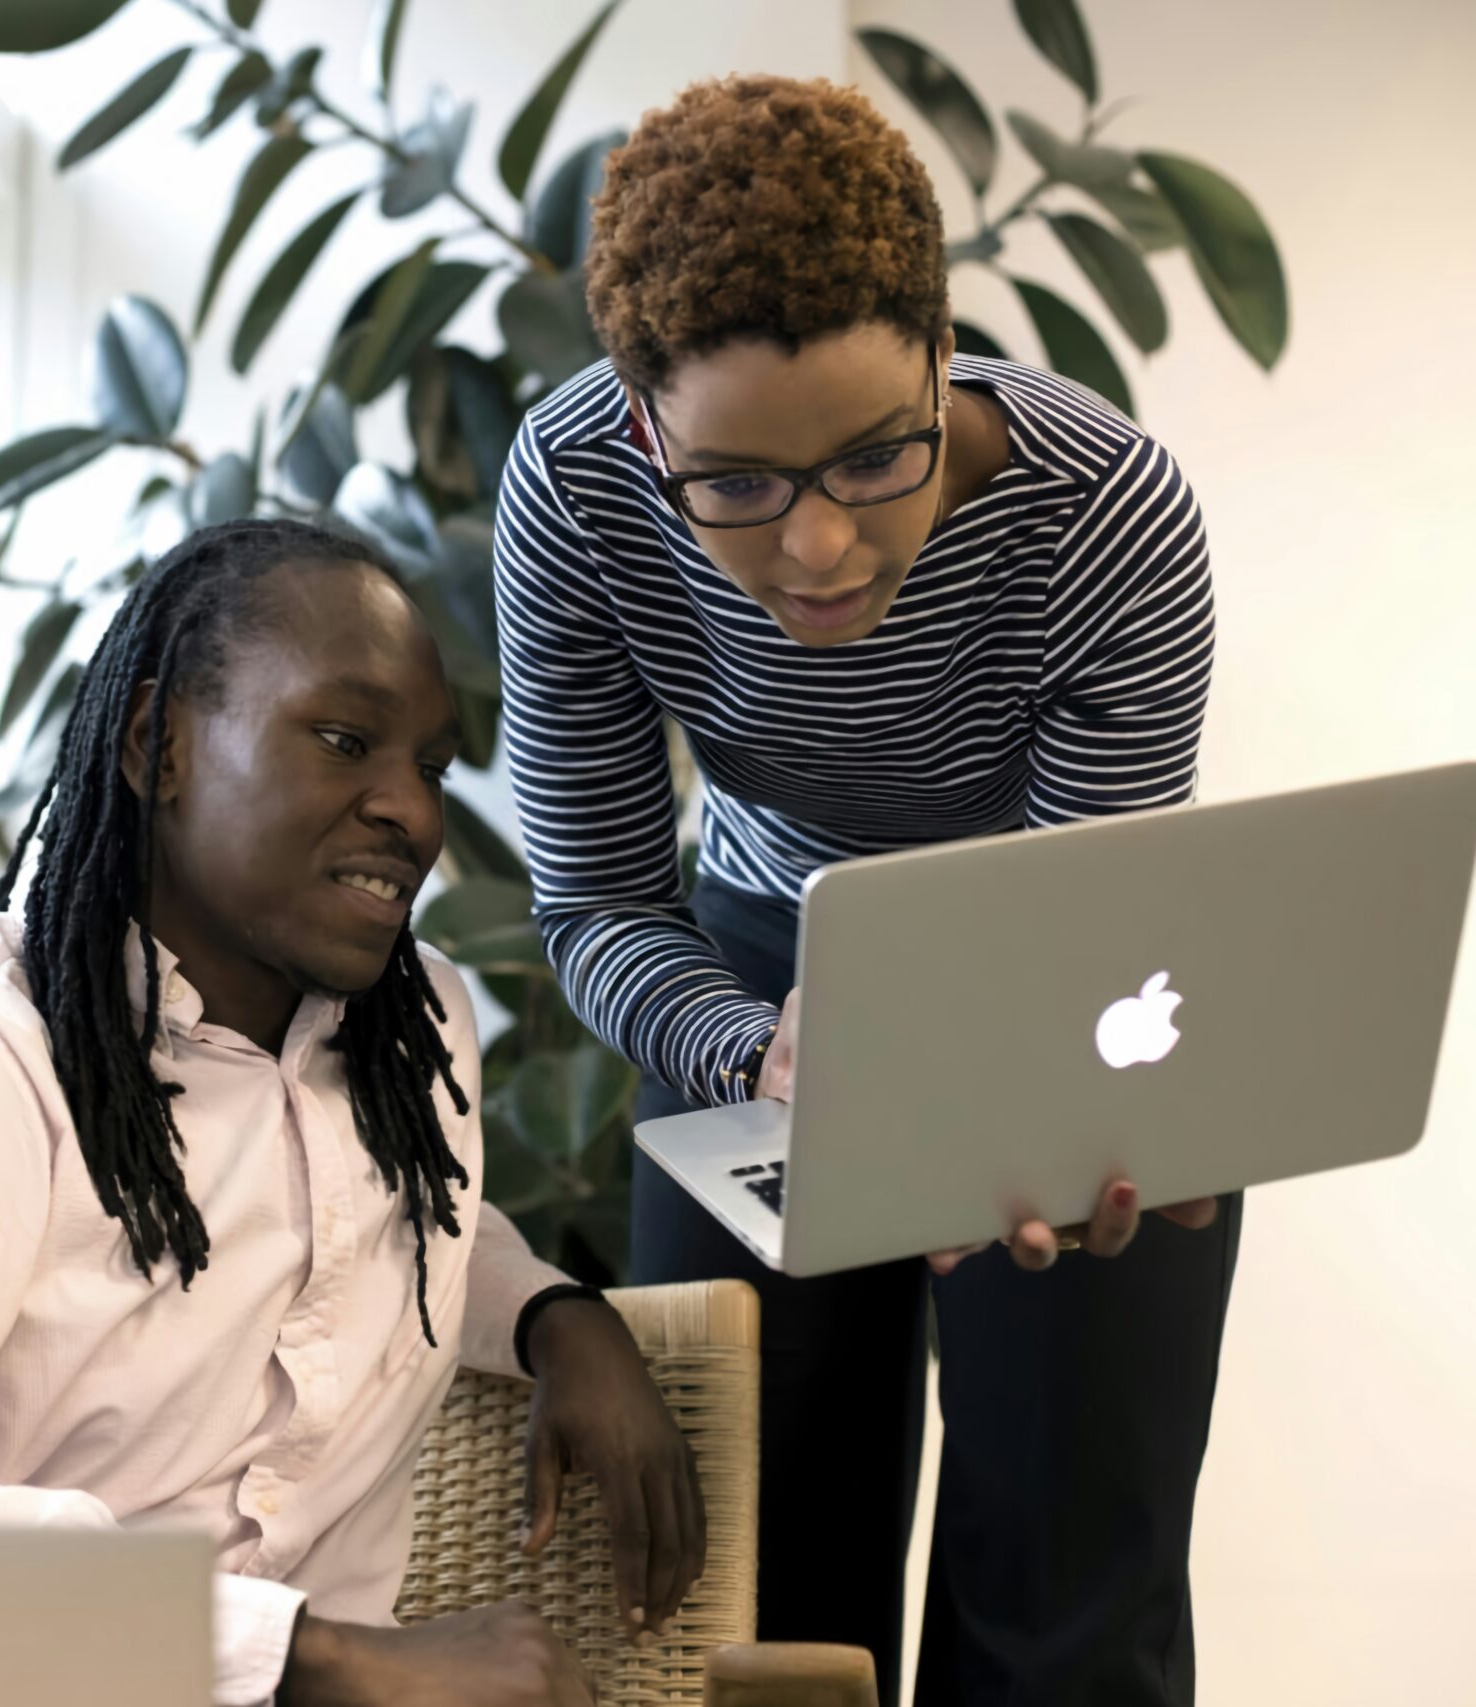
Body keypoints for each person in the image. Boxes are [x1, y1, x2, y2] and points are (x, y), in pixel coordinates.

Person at [0, 519, 706, 1707]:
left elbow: (404, 1217)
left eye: (431, 766)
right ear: (158, 745)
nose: (412, 817)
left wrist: (559, 1319)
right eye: (344, 740)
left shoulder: (414, 1036)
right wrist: (304, 1655)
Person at [491, 75, 1239, 1706]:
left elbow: (1071, 914)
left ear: (941, 356)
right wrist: (756, 1046)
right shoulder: (574, 496)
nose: (819, 548)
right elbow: (600, 903)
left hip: (1065, 968)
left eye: (874, 456)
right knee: (752, 1580)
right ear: (644, 434)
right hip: (764, 971)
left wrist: (1012, 1096)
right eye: (739, 485)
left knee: (1070, 1595)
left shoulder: (1110, 518)